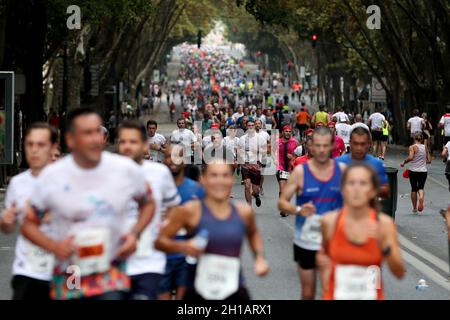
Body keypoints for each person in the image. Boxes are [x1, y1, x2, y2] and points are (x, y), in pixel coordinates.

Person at [21, 107, 156, 300]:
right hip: (71, 272)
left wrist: (135, 234)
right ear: (70, 139)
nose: (94, 138)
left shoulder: (124, 169)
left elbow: (148, 203)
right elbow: (28, 223)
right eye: (87, 133)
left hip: (111, 273)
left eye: (97, 131)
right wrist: (54, 246)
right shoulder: (52, 176)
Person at [155, 161, 269, 301]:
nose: (219, 181)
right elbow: (159, 240)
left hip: (233, 288)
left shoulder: (243, 212)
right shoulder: (189, 211)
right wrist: (183, 246)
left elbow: (253, 234)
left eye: (225, 176)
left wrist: (259, 258)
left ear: (232, 179)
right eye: (213, 175)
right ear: (203, 179)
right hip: (197, 290)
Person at [278, 127, 346, 300]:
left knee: (328, 289)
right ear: (311, 147)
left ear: (332, 146)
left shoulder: (342, 170)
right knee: (308, 292)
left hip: (332, 240)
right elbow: (282, 203)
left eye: (325, 145)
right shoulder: (301, 171)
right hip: (306, 239)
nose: (321, 150)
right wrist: (299, 210)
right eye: (317, 145)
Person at [321, 163, 405, 300]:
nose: (356, 189)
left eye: (363, 183)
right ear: (343, 189)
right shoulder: (330, 222)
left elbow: (399, 272)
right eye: (351, 183)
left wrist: (385, 247)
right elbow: (323, 260)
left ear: (373, 190)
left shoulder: (384, 224)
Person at [117, 120, 181, 300]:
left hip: (149, 261)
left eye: (133, 142)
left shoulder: (159, 173)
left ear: (143, 144)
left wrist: (164, 233)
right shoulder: (106, 172)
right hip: (116, 261)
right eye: (123, 142)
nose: (128, 146)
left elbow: (173, 209)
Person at [0, 123, 58, 300]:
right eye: (29, 144)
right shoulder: (17, 183)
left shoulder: (70, 180)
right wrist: (6, 222)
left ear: (52, 148)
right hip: (27, 269)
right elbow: (8, 227)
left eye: (40, 145)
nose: (34, 150)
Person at [159, 145, 205, 300]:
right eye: (168, 156)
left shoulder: (197, 190)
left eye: (177, 156)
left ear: (184, 160)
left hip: (187, 259)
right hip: (159, 258)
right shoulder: (154, 188)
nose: (172, 160)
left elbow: (206, 225)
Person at [337, 127, 390, 198]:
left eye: (362, 144)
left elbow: (385, 191)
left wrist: (368, 187)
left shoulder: (376, 164)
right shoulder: (338, 163)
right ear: (350, 143)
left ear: (369, 144)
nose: (359, 148)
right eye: (356, 143)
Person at [238, 120, 267, 207]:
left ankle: (256, 194)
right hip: (245, 164)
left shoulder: (260, 138)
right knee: (247, 185)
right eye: (249, 125)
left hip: (256, 165)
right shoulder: (242, 138)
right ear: (246, 127)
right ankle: (249, 207)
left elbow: (265, 150)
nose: (250, 127)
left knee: (255, 189)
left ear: (254, 126)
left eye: (252, 125)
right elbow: (238, 149)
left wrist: (258, 151)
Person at [401, 133, 431, 214]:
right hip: (423, 171)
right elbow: (429, 160)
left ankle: (414, 208)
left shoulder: (412, 147)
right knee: (421, 187)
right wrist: (422, 161)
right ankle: (421, 197)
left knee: (414, 188)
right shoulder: (425, 147)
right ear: (421, 139)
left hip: (413, 171)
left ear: (414, 138)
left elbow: (410, 157)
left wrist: (404, 162)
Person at [277, 125, 299, 217]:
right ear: (282, 132)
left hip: (291, 169)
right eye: (286, 131)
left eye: (289, 132)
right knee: (282, 188)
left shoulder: (295, 142)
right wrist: (275, 160)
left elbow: (299, 155)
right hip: (281, 167)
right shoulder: (277, 142)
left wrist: (293, 158)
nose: (288, 133)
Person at [255, 119, 271, 196]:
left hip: (263, 156)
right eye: (256, 123)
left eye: (259, 123)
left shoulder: (265, 134)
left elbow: (269, 143)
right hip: (253, 156)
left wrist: (268, 149)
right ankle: (255, 188)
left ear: (261, 125)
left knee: (261, 174)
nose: (257, 125)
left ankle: (260, 186)